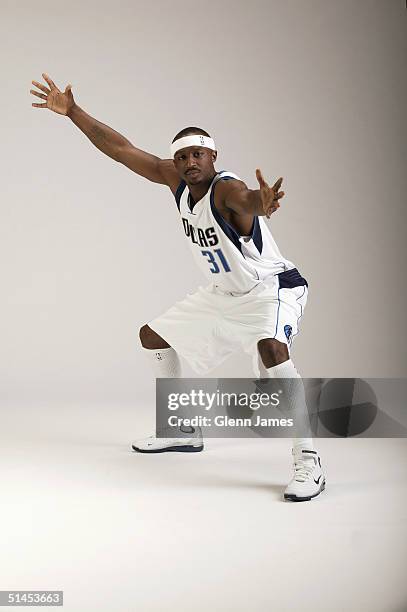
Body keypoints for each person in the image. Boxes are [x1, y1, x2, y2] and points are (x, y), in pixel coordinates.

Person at [30, 73, 326, 502]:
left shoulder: (226, 188)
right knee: (153, 336)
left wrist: (263, 204)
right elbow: (119, 149)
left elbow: (246, 201)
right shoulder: (175, 181)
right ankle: (183, 428)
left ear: (213, 156)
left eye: (198, 154)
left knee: (272, 351)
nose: (191, 161)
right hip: (225, 292)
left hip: (270, 288)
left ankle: (310, 462)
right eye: (183, 155)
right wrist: (72, 111)